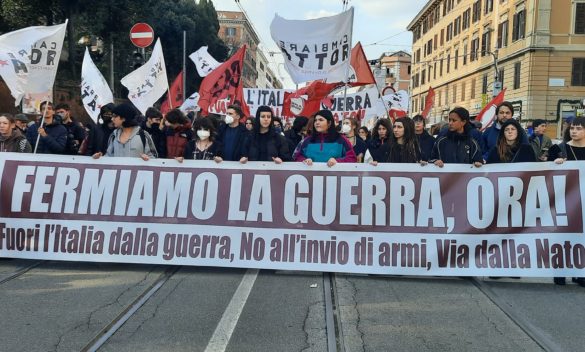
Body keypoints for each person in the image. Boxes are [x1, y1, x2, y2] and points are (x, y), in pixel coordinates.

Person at [547, 116, 585, 287]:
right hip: (566, 199)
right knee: (564, 235)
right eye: (572, 128)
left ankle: (580, 272)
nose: (574, 131)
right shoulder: (559, 149)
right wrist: (556, 164)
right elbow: (544, 171)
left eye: (579, 128)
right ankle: (560, 270)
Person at [93, 103, 157, 160]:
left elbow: (154, 159)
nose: (112, 119)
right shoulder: (114, 136)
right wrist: (100, 158)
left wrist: (147, 159)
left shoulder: (143, 135)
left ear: (124, 118)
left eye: (115, 116)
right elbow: (109, 156)